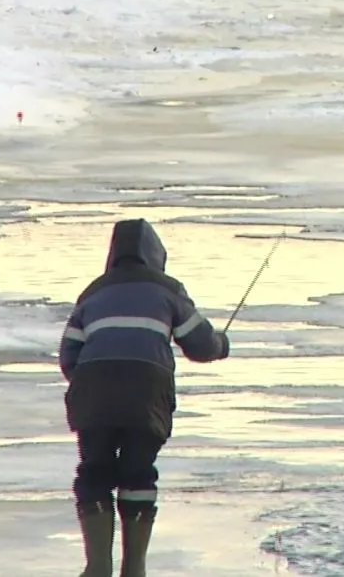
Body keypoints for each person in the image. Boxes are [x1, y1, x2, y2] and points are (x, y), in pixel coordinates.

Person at [58, 218, 232, 577]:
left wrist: (94, 383)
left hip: (93, 388)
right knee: (138, 472)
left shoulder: (92, 293)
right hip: (147, 389)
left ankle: (97, 568)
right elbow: (199, 346)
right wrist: (221, 346)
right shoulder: (168, 290)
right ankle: (134, 569)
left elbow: (68, 356)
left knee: (94, 471)